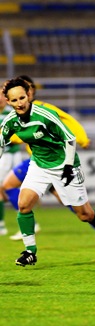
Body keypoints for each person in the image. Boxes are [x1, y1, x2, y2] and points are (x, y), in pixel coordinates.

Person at [0, 76, 95, 266]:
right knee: (24, 204)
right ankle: (30, 252)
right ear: (9, 102)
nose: (19, 103)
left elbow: (69, 138)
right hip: (39, 165)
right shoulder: (11, 121)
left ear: (28, 96)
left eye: (22, 98)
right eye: (15, 100)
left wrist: (68, 166)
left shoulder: (45, 115)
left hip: (64, 165)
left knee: (85, 215)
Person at [0, 92, 23, 235]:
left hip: (11, 154)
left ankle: (2, 225)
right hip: (4, 155)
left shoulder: (12, 113)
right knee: (6, 188)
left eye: (1, 96)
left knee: (7, 187)